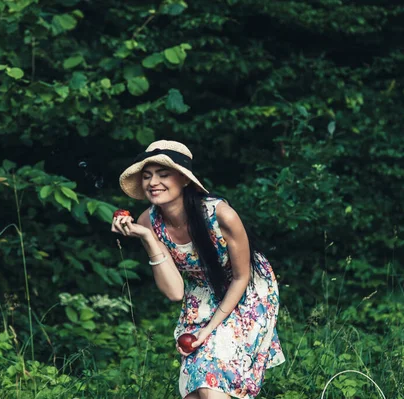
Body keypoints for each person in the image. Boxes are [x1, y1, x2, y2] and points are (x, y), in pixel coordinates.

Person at [112, 140, 285, 399]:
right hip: (202, 291)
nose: (152, 182)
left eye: (163, 174)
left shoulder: (221, 215)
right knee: (196, 390)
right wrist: (146, 237)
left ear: (183, 180)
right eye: (147, 176)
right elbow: (175, 292)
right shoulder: (149, 221)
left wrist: (208, 329)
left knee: (210, 383)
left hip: (246, 289)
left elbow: (241, 277)